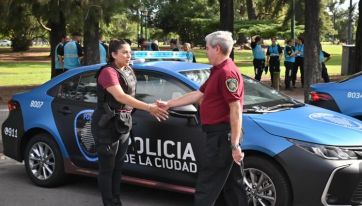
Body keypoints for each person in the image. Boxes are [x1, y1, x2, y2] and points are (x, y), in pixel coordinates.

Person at [157, 31, 248, 206]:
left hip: (221, 138)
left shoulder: (227, 73)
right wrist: (170, 103)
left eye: (207, 48)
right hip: (220, 137)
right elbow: (198, 94)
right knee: (233, 187)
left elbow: (235, 109)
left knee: (206, 187)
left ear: (218, 49)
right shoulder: (218, 70)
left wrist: (235, 144)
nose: (205, 52)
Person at [91, 39, 168, 206]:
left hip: (123, 123)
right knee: (107, 169)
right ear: (113, 54)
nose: (128, 55)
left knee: (118, 167)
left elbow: (131, 97)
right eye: (124, 52)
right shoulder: (108, 72)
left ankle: (116, 201)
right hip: (107, 124)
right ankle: (109, 202)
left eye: (130, 52)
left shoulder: (127, 70)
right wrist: (149, 107)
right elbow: (120, 97)